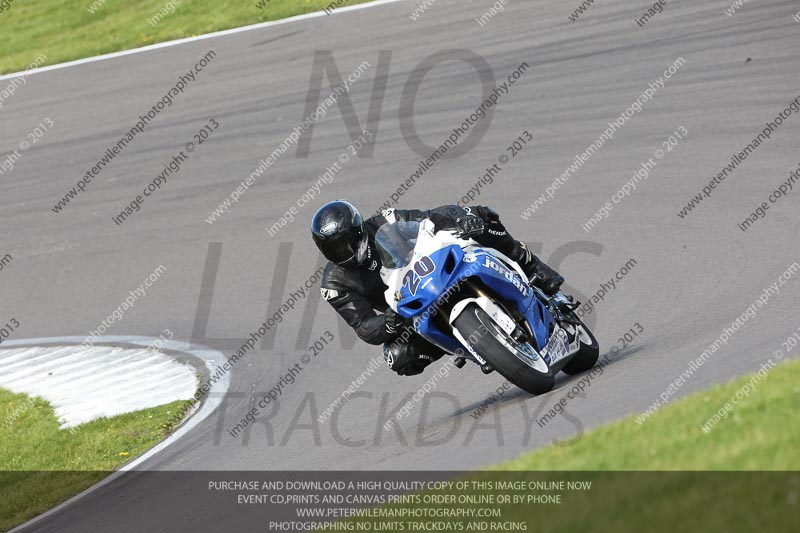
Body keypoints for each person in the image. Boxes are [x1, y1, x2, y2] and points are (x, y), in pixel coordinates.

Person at [310, 200, 564, 376]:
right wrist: (387, 322)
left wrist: (463, 218)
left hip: (434, 269)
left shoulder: (385, 221)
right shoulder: (335, 284)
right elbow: (363, 326)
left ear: (359, 232)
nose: (342, 253)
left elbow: (429, 218)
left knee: (483, 217)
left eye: (345, 244)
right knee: (398, 357)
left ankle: (534, 269)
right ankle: (473, 345)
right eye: (333, 249)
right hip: (408, 310)